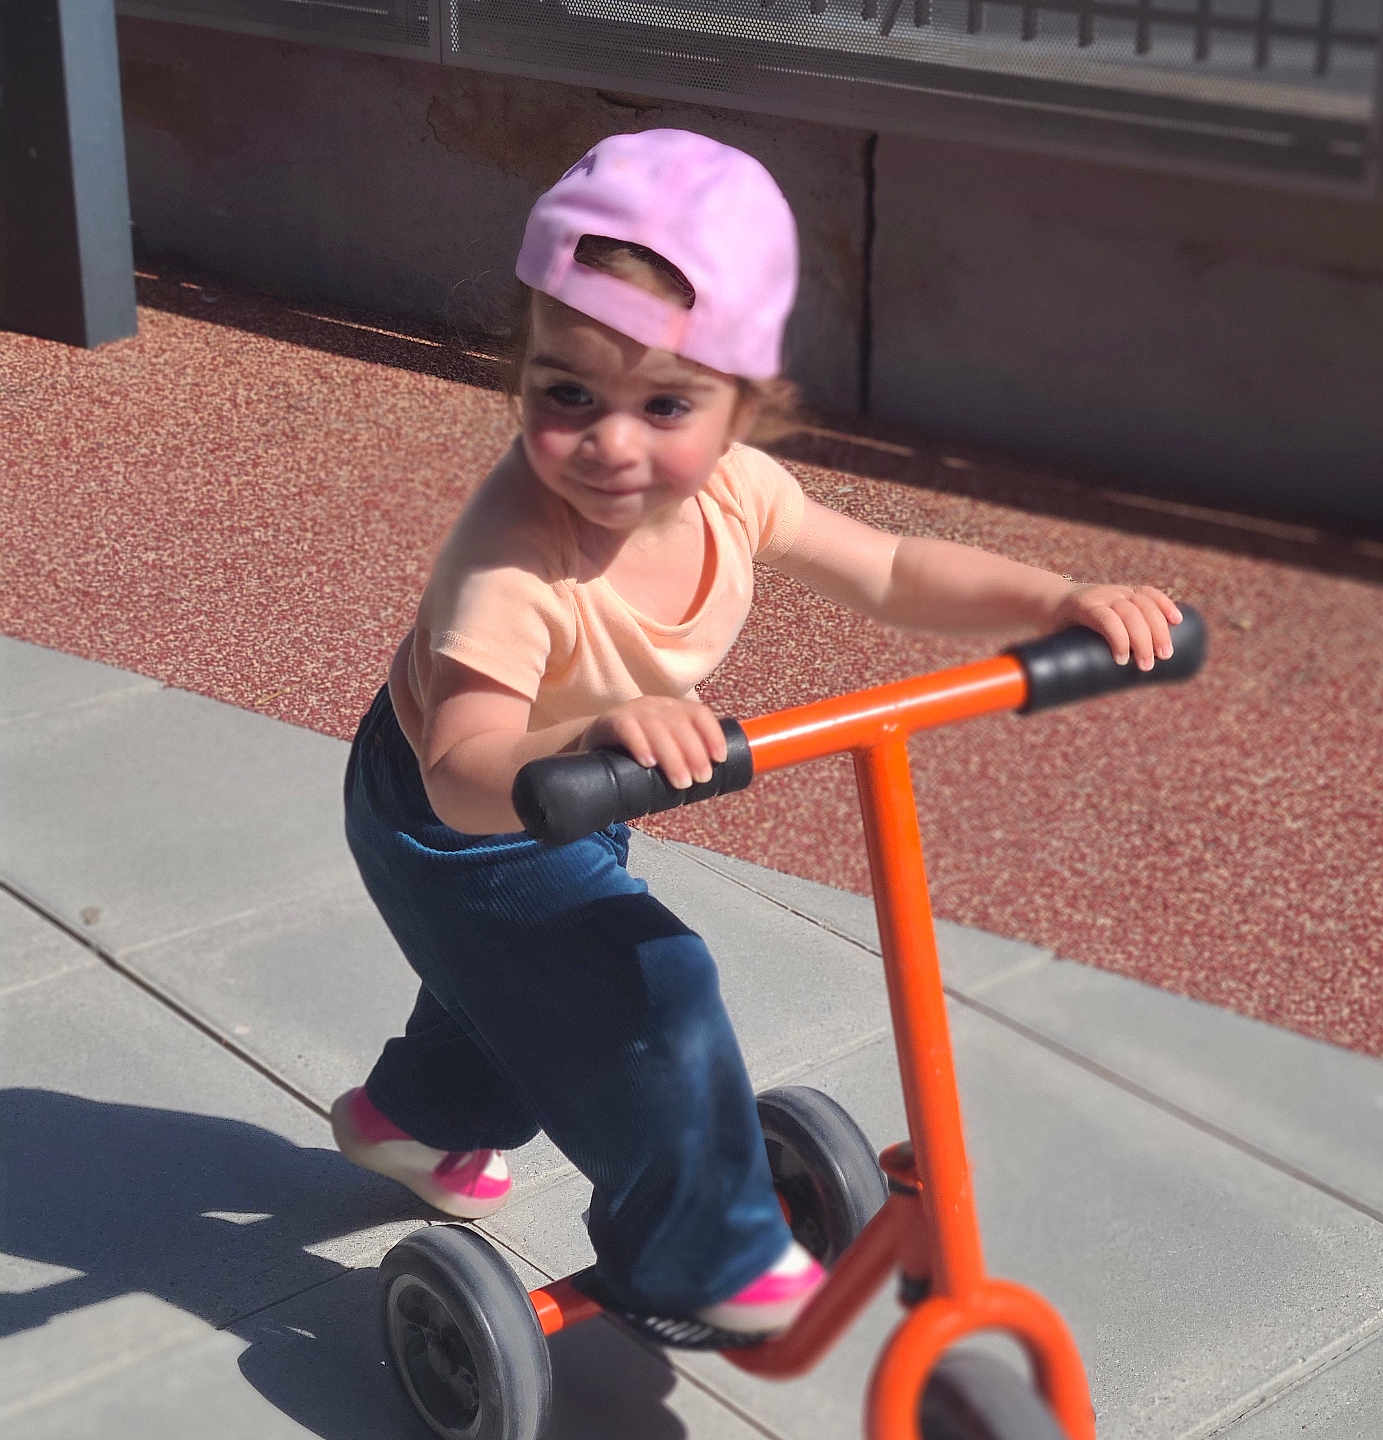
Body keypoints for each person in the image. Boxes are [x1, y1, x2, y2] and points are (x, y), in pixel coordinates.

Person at [331, 129, 1182, 1335]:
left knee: (519, 986)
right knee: (649, 985)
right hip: (454, 821)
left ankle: (411, 1116)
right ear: (525, 370)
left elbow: (890, 567)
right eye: (566, 390)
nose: (611, 442)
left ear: (745, 402)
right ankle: (693, 1258)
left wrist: (1055, 601)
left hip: (584, 788)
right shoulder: (512, 556)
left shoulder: (736, 485)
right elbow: (467, 769)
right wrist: (596, 738)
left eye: (664, 402)